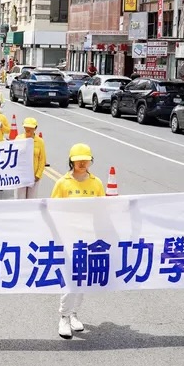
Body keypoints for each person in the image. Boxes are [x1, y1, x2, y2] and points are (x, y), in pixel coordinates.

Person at [51, 144, 105, 339]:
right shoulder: (62, 183)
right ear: (71, 161)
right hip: (69, 238)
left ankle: (74, 314)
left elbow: (103, 210)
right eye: (78, 160)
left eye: (86, 160)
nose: (82, 163)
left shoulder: (96, 183)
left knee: (82, 280)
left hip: (89, 239)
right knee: (70, 279)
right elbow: (53, 210)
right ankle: (64, 317)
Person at [14, 117, 46, 199]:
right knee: (20, 198)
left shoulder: (40, 142)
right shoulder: (19, 139)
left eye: (31, 128)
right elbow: (14, 155)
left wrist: (38, 175)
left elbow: (42, 159)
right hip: (21, 175)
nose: (28, 129)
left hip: (33, 176)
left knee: (32, 199)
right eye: (26, 127)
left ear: (35, 128)